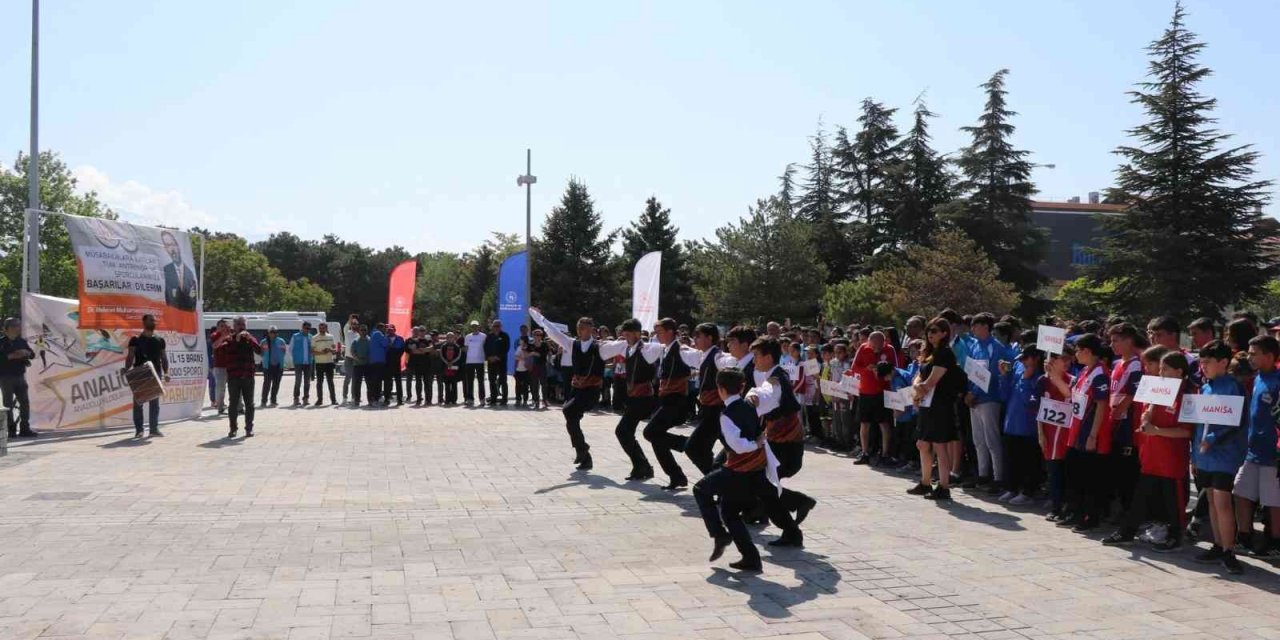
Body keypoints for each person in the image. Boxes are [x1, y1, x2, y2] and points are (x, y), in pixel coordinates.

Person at [1102, 351, 1194, 551]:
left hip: (1171, 458)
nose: (1160, 373)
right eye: (1159, 368)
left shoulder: (1188, 394)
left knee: (1173, 500)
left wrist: (1157, 431)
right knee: (1141, 496)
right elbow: (1146, 415)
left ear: (1179, 372)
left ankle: (1176, 536)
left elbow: (1186, 432)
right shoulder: (1157, 388)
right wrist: (1147, 416)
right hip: (1150, 454)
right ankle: (1127, 532)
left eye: (1165, 369)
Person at [529, 307, 634, 471]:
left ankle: (582, 449)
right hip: (576, 389)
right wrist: (537, 315)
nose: (580, 330)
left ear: (592, 330)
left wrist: (646, 342)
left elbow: (624, 344)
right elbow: (553, 331)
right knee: (571, 418)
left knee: (568, 411)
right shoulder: (572, 344)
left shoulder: (601, 347)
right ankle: (584, 455)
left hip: (591, 391)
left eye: (584, 327)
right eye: (579, 327)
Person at [695, 368, 777, 573]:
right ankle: (750, 558)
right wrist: (757, 442)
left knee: (700, 490)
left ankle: (719, 534)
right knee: (729, 511)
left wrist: (754, 444)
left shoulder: (726, 415)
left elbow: (738, 445)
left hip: (738, 470)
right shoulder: (749, 406)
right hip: (752, 470)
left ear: (720, 389)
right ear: (741, 387)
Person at [750, 335, 816, 547]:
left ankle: (792, 527)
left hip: (785, 443)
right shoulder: (772, 375)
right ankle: (794, 507)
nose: (754, 360)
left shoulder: (775, 380)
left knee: (765, 487)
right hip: (781, 441)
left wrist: (749, 402)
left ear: (768, 357)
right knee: (764, 485)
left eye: (756, 356)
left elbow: (766, 395)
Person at [1191, 340, 1247, 573]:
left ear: (1223, 362)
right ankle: (1218, 543)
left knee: (1223, 502)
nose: (1202, 367)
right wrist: (1194, 454)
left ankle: (1229, 550)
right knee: (1212, 500)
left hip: (1224, 455)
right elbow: (1199, 423)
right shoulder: (1205, 387)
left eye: (1207, 362)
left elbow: (1236, 423)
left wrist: (1212, 440)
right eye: (1201, 362)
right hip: (1204, 456)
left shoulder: (1233, 386)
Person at [1049, 333, 1111, 532]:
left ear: (1086, 351)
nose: (1075, 354)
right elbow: (1071, 396)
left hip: (1088, 432)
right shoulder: (1085, 371)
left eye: (1077, 350)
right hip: (1075, 431)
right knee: (1074, 475)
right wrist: (1055, 378)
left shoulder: (1100, 373)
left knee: (1088, 477)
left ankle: (1090, 517)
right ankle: (1075, 512)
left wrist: (1093, 435)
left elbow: (1102, 404)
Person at [643, 318, 707, 490]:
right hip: (666, 400)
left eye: (660, 332)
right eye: (656, 332)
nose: (657, 335)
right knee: (656, 438)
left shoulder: (682, 349)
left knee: (650, 432)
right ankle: (676, 476)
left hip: (677, 402)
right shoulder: (664, 349)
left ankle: (688, 444)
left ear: (671, 331)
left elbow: (700, 357)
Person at [1233, 334, 1280, 557]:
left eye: (1254, 354)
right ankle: (1244, 536)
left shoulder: (1278, 380)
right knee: (1241, 491)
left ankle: (1274, 542)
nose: (1249, 357)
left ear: (1270, 356)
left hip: (1273, 452)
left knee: (1273, 501)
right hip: (1252, 450)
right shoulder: (1258, 378)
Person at [908, 317, 964, 500]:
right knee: (922, 444)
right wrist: (917, 389)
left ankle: (944, 485)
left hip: (940, 405)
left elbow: (931, 382)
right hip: (926, 404)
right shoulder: (930, 352)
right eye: (929, 331)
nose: (930, 334)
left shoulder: (945, 353)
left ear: (944, 333)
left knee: (940, 446)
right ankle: (925, 482)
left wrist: (918, 389)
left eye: (934, 331)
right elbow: (918, 376)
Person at [965, 314, 1008, 493]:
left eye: (975, 326)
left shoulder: (996, 347)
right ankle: (983, 475)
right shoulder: (974, 346)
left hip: (989, 399)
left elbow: (990, 374)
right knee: (978, 440)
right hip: (974, 401)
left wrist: (974, 393)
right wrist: (968, 392)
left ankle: (998, 478)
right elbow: (970, 371)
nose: (972, 330)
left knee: (992, 440)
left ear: (984, 327)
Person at [683, 323, 731, 475]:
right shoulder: (703, 355)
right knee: (730, 449)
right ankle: (717, 480)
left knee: (693, 447)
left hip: (716, 411)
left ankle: (714, 480)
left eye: (699, 336)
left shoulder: (717, 356)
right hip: (708, 410)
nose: (695, 339)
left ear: (710, 338)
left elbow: (729, 362)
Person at [1000, 346, 1044, 505]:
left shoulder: (1040, 378)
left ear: (1036, 359)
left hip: (1028, 427)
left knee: (1028, 460)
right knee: (1012, 458)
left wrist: (1026, 380)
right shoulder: (1019, 372)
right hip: (1011, 423)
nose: (1023, 362)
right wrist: (1004, 376)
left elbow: (1030, 402)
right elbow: (1004, 395)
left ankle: (1027, 491)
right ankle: (1011, 487)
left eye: (1026, 359)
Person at [851, 331, 900, 466]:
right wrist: (867, 369)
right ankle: (865, 453)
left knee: (884, 423)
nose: (875, 349)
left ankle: (885, 454)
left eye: (878, 346)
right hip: (865, 391)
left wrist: (882, 370)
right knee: (864, 423)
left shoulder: (889, 350)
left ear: (884, 342)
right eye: (873, 346)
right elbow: (854, 367)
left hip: (882, 392)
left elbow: (896, 369)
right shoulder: (863, 348)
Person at [124, 314, 170, 437]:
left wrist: (166, 373)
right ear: (144, 322)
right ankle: (139, 430)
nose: (153, 322)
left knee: (154, 403)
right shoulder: (135, 340)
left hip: (155, 374)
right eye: (151, 320)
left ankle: (154, 429)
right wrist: (126, 369)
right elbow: (130, 357)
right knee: (138, 403)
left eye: (154, 320)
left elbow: (164, 358)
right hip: (139, 374)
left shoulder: (160, 340)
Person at [215, 316, 261, 438]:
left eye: (243, 324)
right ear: (234, 326)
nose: (241, 326)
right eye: (238, 324)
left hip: (248, 376)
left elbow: (259, 351)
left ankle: (249, 429)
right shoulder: (229, 339)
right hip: (234, 376)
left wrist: (249, 338)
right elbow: (217, 349)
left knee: (249, 404)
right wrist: (228, 337)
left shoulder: (250, 338)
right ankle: (233, 429)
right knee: (233, 404)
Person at [0, 317, 37, 438]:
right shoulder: (2, 342)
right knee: (8, 404)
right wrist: (15, 355)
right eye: (15, 326)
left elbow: (32, 354)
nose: (18, 328)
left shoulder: (21, 341)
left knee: (25, 403)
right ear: (7, 328)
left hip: (20, 376)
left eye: (19, 325)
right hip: (6, 377)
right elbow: (3, 358)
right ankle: (11, 430)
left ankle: (25, 429)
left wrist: (27, 353)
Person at [160, 230, 197, 311]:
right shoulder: (166, 270)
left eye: (173, 244)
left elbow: (193, 299)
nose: (172, 249)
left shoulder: (190, 273)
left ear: (178, 246)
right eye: (168, 246)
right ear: (166, 249)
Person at [405, 327, 435, 406]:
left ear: (425, 331)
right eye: (420, 331)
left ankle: (428, 400)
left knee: (427, 383)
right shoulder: (414, 340)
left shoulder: (428, 340)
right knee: (418, 383)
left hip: (427, 365)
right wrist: (425, 350)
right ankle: (419, 399)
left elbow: (431, 348)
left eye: (423, 330)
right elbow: (413, 351)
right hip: (417, 365)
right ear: (418, 332)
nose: (421, 332)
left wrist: (422, 350)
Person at [485, 320, 511, 406]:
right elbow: (485, 347)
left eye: (498, 326)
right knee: (492, 380)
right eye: (495, 326)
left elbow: (506, 348)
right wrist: (488, 357)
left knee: (503, 381)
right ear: (492, 327)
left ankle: (504, 399)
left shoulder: (505, 336)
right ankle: (493, 398)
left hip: (501, 361)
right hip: (491, 361)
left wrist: (498, 357)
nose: (496, 328)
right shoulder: (489, 336)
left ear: (501, 327)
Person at [259, 327, 287, 407]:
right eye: (271, 332)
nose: (273, 333)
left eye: (275, 332)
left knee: (276, 384)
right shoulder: (264, 342)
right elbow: (261, 353)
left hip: (278, 366)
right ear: (268, 333)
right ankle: (264, 401)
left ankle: (273, 400)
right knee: (266, 384)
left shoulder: (281, 341)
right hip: (267, 366)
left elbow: (284, 352)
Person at [312, 322, 338, 406]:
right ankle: (319, 400)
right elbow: (312, 352)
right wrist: (322, 352)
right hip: (319, 363)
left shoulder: (331, 337)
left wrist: (330, 350)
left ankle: (333, 400)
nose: (321, 330)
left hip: (329, 362)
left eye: (323, 328)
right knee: (319, 382)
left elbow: (334, 350)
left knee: (330, 382)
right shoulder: (314, 338)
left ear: (326, 328)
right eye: (320, 328)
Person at [210, 318, 231, 414]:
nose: (223, 328)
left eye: (225, 326)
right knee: (220, 387)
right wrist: (223, 337)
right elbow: (215, 345)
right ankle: (220, 407)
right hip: (219, 366)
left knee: (232, 387)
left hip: (231, 365)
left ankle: (236, 406)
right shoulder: (215, 335)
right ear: (218, 327)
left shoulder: (230, 336)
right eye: (221, 326)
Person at [463, 322, 487, 405]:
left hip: (480, 361)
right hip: (469, 362)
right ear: (471, 327)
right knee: (469, 381)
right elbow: (466, 349)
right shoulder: (468, 336)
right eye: (473, 326)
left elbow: (485, 347)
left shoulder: (484, 336)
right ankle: (470, 398)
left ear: (478, 326)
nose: (474, 327)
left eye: (476, 326)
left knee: (481, 381)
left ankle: (482, 398)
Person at [290, 321, 314, 406]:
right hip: (298, 363)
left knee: (307, 382)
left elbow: (313, 349)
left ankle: (306, 399)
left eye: (309, 329)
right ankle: (296, 399)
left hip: (308, 362)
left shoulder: (311, 337)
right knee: (298, 381)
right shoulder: (295, 336)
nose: (307, 330)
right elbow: (290, 349)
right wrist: (295, 358)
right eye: (306, 328)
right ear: (302, 327)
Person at [350, 325, 372, 407]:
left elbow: (372, 351)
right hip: (357, 365)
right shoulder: (355, 341)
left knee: (369, 384)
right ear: (359, 331)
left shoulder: (370, 340)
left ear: (367, 331)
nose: (363, 331)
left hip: (367, 365)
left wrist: (368, 358)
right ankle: (357, 400)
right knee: (357, 384)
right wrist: (357, 358)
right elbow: (352, 351)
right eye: (362, 330)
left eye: (365, 330)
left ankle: (370, 400)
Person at [383, 324, 405, 406]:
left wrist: (397, 355)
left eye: (391, 330)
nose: (390, 331)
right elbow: (383, 349)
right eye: (388, 330)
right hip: (387, 363)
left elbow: (403, 349)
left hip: (396, 363)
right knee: (387, 382)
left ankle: (400, 400)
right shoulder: (384, 339)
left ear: (395, 330)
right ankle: (386, 399)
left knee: (398, 382)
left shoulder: (400, 339)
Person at [368, 323, 388, 406]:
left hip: (373, 361)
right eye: (384, 328)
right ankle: (376, 398)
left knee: (374, 381)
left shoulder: (372, 334)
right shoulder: (378, 334)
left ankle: (373, 398)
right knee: (378, 381)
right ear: (381, 328)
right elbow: (385, 343)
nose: (385, 330)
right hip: (379, 361)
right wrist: (386, 335)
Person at [341, 315, 360, 404]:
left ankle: (353, 397)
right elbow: (346, 325)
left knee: (355, 379)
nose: (354, 325)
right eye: (353, 323)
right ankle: (344, 397)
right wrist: (350, 318)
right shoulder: (347, 332)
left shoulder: (358, 335)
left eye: (356, 324)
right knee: (348, 378)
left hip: (355, 359)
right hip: (348, 358)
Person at [440, 333, 462, 405]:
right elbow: (441, 355)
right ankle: (447, 399)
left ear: (454, 338)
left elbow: (459, 356)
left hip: (454, 367)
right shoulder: (443, 346)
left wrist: (452, 362)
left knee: (454, 384)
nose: (450, 338)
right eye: (448, 337)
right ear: (446, 338)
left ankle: (454, 400)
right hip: (446, 367)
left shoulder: (457, 346)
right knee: (446, 384)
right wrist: (447, 362)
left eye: (451, 337)